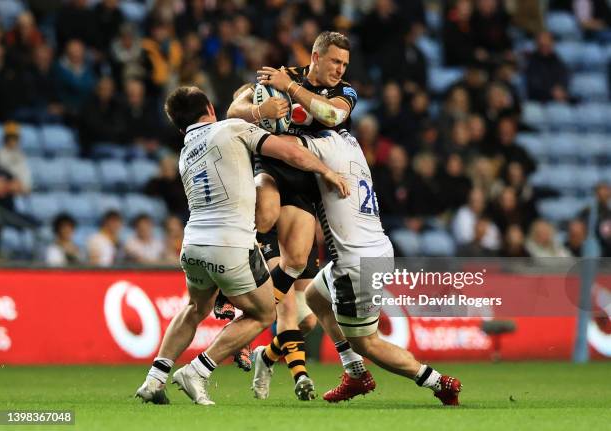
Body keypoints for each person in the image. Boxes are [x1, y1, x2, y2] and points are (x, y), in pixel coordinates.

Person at [135, 86, 348, 406]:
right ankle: (198, 370)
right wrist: (326, 170)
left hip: (192, 245)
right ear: (209, 106)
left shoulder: (184, 152)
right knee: (262, 313)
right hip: (230, 243)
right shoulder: (230, 128)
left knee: (195, 308)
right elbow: (288, 152)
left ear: (181, 126)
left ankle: (154, 379)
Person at [227, 31, 358, 400]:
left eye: (345, 64)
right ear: (315, 56)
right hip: (271, 171)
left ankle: (264, 358)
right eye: (335, 61)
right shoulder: (280, 76)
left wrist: (293, 89)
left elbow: (331, 116)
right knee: (284, 300)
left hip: (305, 189)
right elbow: (233, 109)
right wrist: (258, 112)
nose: (340, 70)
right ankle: (298, 374)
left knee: (307, 312)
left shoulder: (344, 93)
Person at [300, 129, 462, 405]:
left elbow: (286, 149)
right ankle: (355, 374)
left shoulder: (320, 147)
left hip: (355, 260)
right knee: (315, 296)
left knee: (367, 343)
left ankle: (440, 382)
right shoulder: (350, 144)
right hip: (372, 248)